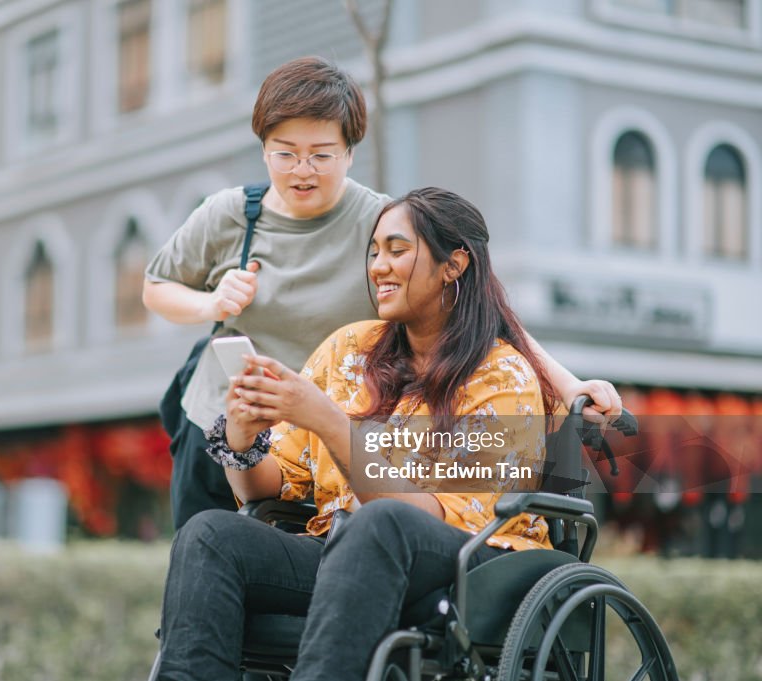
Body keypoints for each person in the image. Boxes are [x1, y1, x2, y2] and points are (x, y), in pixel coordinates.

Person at [144, 56, 620, 530]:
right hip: (226, 416)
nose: (302, 170)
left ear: (350, 152)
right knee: (202, 548)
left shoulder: (381, 225)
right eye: (284, 153)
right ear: (264, 149)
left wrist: (569, 385)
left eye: (322, 154)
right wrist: (212, 303)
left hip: (321, 434)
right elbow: (155, 287)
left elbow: (480, 309)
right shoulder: (229, 214)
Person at [156, 187, 569, 681]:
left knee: (381, 524)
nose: (378, 266)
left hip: (470, 567)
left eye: (397, 250)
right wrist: (240, 439)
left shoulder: (501, 378)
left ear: (453, 265)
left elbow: (427, 517)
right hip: (346, 556)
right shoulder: (347, 349)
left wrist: (331, 422)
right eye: (373, 251)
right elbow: (268, 486)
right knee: (210, 534)